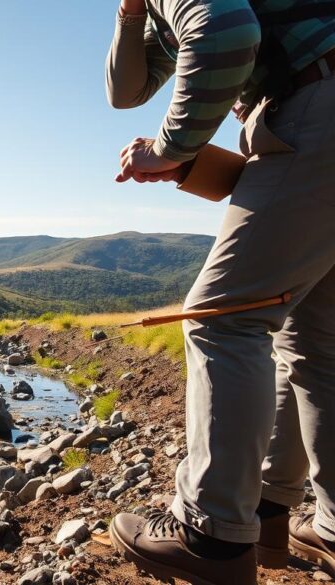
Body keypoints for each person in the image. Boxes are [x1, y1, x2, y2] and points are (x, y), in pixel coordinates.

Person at [105, 0, 335, 582]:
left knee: (220, 319)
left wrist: (172, 147)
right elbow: (126, 92)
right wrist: (131, 14)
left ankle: (212, 538)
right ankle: (279, 514)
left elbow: (227, 30)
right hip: (320, 100)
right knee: (316, 348)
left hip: (316, 108)